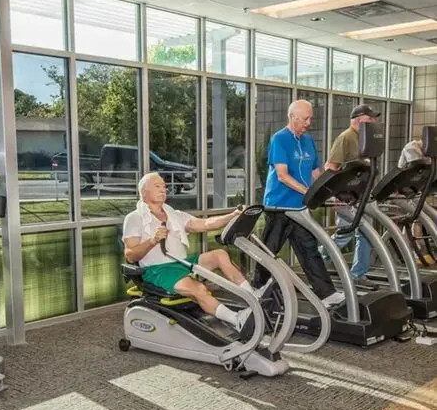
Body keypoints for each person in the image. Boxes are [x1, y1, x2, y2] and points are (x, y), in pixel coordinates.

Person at [122, 172, 273, 335]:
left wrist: (233, 216)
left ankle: (253, 295)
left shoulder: (174, 214)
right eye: (157, 186)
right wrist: (152, 240)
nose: (163, 190)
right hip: (158, 270)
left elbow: (206, 223)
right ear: (144, 191)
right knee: (199, 289)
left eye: (164, 187)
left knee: (220, 254)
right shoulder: (135, 218)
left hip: (182, 262)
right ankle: (236, 320)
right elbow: (130, 255)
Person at [252, 99, 343, 307]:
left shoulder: (308, 140)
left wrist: (328, 190)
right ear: (292, 116)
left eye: (311, 118)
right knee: (269, 250)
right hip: (279, 206)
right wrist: (309, 192)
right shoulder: (280, 139)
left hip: (300, 207)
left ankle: (327, 293)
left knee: (309, 249)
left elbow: (316, 172)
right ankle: (257, 288)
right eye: (305, 118)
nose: (309, 122)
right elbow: (282, 175)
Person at [320, 104, 380, 289]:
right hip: (345, 197)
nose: (374, 121)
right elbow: (330, 167)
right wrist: (337, 193)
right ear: (360, 119)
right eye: (371, 118)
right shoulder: (346, 137)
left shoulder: (365, 138)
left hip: (362, 195)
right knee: (344, 236)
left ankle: (358, 275)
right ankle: (315, 258)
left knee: (366, 236)